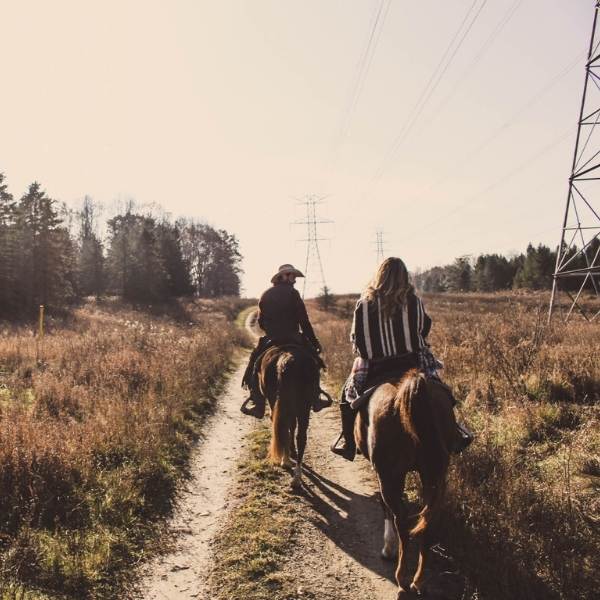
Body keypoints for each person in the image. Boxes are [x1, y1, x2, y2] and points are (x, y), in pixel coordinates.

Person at [330, 257, 473, 460]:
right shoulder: (414, 301)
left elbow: (358, 341)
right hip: (412, 362)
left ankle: (348, 442)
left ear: (379, 276)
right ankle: (455, 433)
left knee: (347, 395)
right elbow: (424, 329)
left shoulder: (363, 305)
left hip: (376, 366)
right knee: (442, 392)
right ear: (404, 277)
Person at [241, 263, 331, 418]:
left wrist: (272, 330)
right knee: (314, 360)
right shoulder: (293, 293)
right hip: (294, 337)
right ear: (282, 276)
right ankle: (316, 396)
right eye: (291, 275)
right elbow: (304, 321)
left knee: (254, 363)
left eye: (294, 276)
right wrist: (314, 341)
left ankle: (257, 402)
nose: (294, 279)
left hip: (271, 338)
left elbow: (261, 322)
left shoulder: (265, 294)